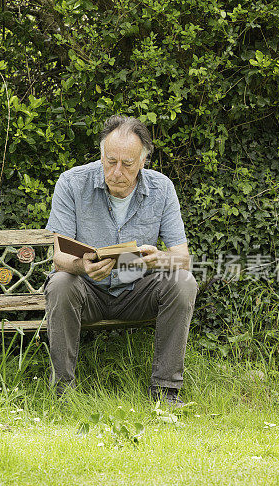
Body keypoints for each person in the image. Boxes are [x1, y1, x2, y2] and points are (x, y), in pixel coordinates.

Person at [44, 115, 198, 405]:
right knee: (61, 283)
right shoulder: (71, 183)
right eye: (110, 161)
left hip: (137, 291)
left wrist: (159, 259)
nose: (117, 172)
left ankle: (166, 393)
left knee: (183, 281)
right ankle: (62, 395)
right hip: (86, 292)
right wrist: (81, 266)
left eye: (127, 164)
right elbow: (59, 257)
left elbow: (182, 259)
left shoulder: (162, 188)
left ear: (142, 161)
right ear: (101, 155)